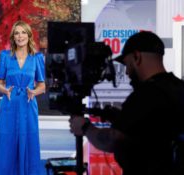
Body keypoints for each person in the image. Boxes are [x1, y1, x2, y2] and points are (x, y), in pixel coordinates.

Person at [69, 31, 184, 175]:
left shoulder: (145, 95)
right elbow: (155, 129)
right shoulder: (178, 87)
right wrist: (120, 118)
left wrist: (84, 127)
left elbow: (113, 141)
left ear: (136, 57)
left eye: (126, 64)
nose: (127, 72)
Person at [0, 20, 46, 175]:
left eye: (23, 32)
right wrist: (5, 90)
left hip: (28, 104)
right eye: (17, 33)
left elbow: (42, 85)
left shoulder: (37, 57)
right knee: (7, 141)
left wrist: (34, 92)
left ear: (29, 36)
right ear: (13, 37)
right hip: (9, 104)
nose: (20, 36)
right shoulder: (5, 56)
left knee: (28, 140)